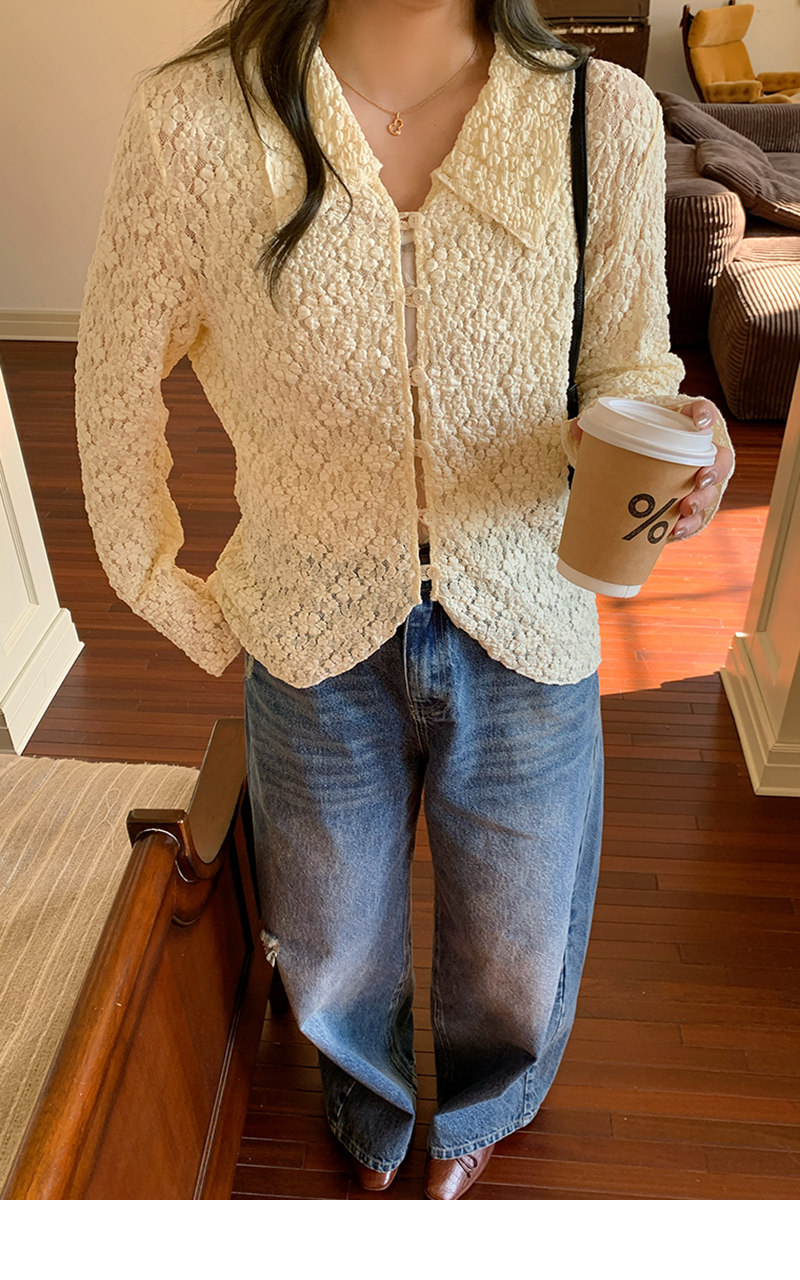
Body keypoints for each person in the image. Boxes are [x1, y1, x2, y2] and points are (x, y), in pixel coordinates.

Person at [75, 0, 734, 1199]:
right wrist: (169, 590)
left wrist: (681, 438)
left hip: (526, 611)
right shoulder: (193, 124)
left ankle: (488, 1102)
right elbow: (111, 379)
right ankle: (364, 1096)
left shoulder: (601, 115)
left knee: (516, 935)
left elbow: (626, 363)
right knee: (328, 934)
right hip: (309, 620)